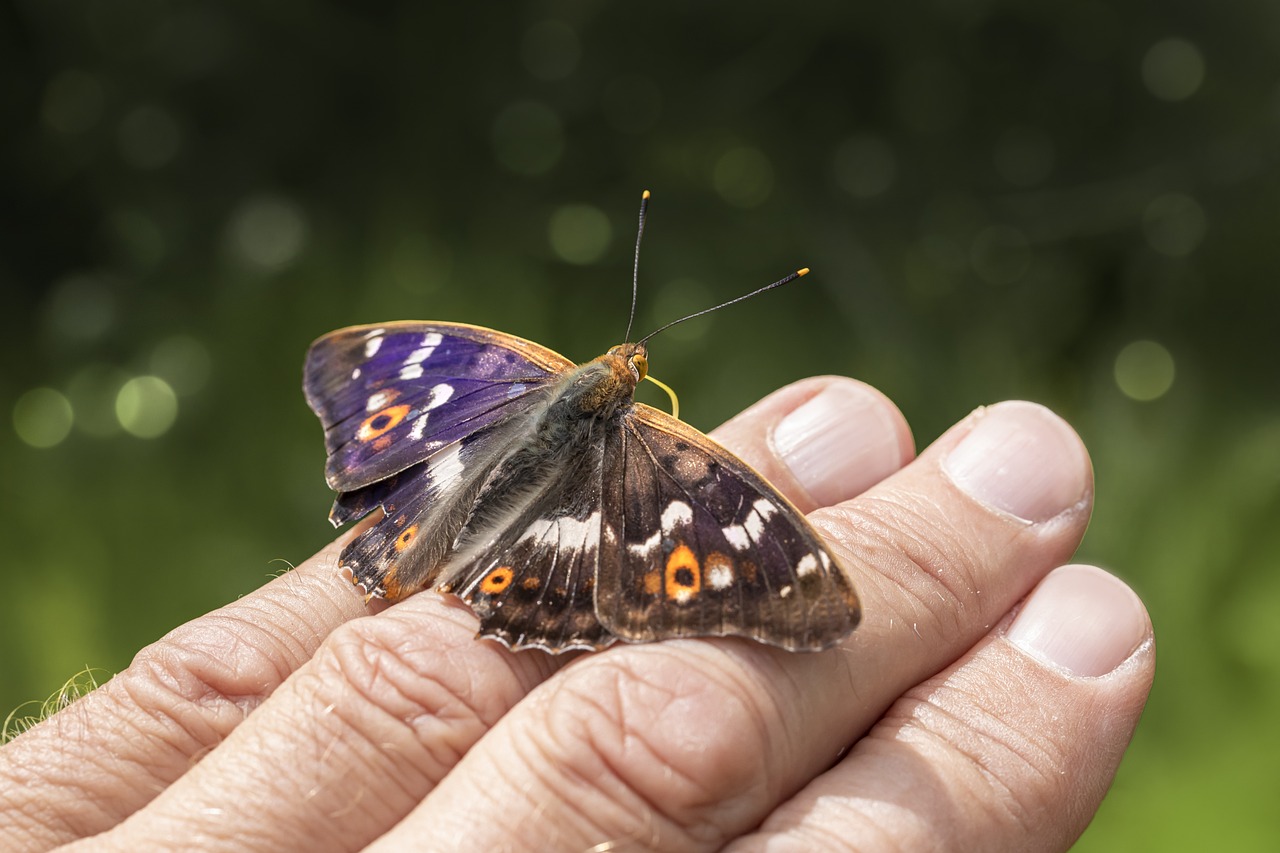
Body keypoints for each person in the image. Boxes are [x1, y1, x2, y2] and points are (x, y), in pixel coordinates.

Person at [0, 377, 1154, 851]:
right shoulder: (671, 462)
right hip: (545, 525)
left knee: (446, 547)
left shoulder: (494, 374)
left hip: (459, 495)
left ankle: (453, 554)